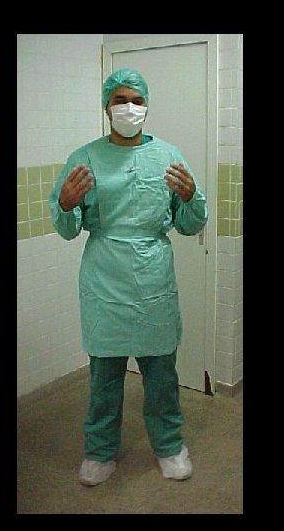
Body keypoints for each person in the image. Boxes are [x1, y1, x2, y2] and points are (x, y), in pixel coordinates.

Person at [49, 68, 207, 487]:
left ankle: (169, 445)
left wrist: (191, 197)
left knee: (161, 373)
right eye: (120, 100)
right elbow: (67, 229)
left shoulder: (169, 155)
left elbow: (190, 224)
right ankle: (99, 451)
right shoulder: (84, 157)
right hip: (105, 275)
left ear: (147, 106)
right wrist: (65, 204)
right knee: (104, 375)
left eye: (137, 100)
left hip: (154, 276)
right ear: (106, 107)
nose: (129, 108)